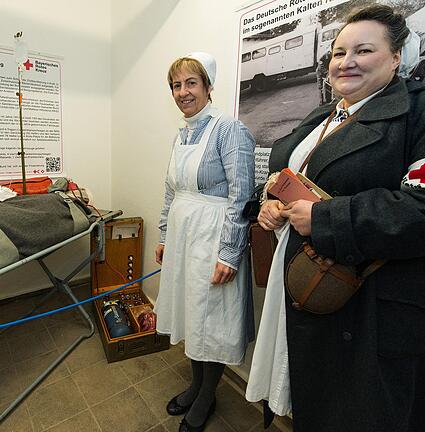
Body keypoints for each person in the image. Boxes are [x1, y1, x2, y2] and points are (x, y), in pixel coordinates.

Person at [245, 5, 425, 432]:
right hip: (315, 291)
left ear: (397, 57)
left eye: (363, 50)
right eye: (339, 53)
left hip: (381, 308)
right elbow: (286, 175)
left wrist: (327, 218)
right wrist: (272, 202)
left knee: (371, 414)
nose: (346, 62)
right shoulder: (321, 117)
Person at [154, 52, 255, 431]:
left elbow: (242, 196)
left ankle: (207, 395)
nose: (182, 92)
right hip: (183, 238)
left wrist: (229, 253)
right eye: (176, 85)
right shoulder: (182, 134)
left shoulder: (230, 130)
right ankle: (196, 385)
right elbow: (171, 191)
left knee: (210, 321)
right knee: (191, 315)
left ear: (208, 88)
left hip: (213, 238)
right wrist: (165, 234)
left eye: (190, 83)